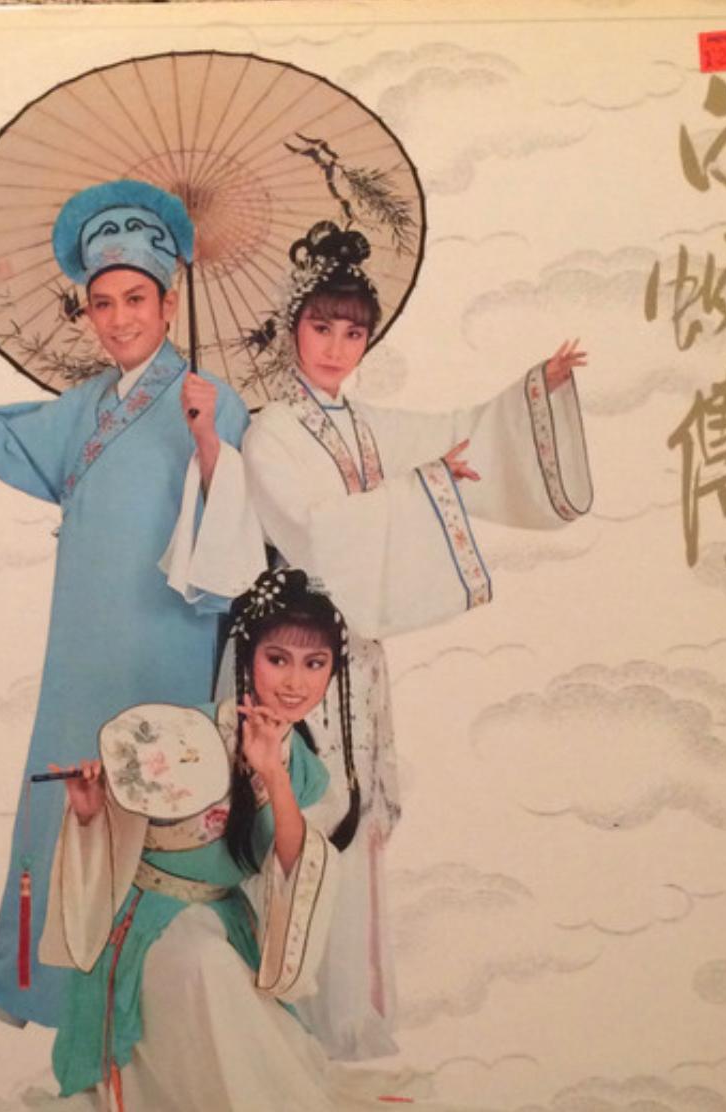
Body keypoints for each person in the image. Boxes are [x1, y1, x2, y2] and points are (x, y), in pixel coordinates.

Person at [0, 180, 264, 1028]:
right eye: (102, 303)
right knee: (60, 795)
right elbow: (7, 440)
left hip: (169, 640)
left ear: (169, 302)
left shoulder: (216, 401)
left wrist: (210, 438)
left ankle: (151, 999)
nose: (119, 318)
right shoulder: (86, 406)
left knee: (158, 803)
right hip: (82, 644)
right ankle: (24, 978)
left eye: (136, 299)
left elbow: (240, 536)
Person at [237, 220, 594, 1059]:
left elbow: (456, 430)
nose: (337, 347)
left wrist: (531, 395)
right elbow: (314, 531)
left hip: (357, 658)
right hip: (294, 656)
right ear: (293, 329)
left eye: (352, 331)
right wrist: (422, 488)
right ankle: (294, 1026)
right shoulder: (271, 431)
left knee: (359, 825)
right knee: (300, 816)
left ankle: (352, 1022)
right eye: (322, 327)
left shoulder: (367, 426)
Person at [36, 569, 430, 1111]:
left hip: (223, 919)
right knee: (207, 967)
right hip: (148, 922)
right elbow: (119, 839)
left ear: (332, 672)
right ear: (248, 658)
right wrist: (89, 812)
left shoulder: (305, 770)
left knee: (225, 981)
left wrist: (273, 775)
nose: (294, 682)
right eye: (278, 659)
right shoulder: (185, 735)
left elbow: (294, 865)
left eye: (314, 664)